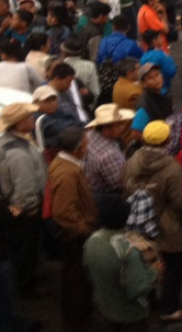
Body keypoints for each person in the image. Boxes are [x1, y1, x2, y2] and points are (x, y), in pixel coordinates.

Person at [124, 121, 182, 323]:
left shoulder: (132, 160)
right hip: (168, 227)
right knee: (172, 269)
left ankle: (149, 303)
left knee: (146, 264)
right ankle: (170, 309)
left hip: (139, 224)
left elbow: (125, 188)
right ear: (168, 140)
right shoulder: (172, 168)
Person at [83, 194, 161, 332]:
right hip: (130, 314)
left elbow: (87, 271)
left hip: (106, 308)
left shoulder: (91, 241)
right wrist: (154, 271)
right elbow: (138, 288)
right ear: (125, 218)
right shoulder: (127, 250)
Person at [47, 126, 97, 332]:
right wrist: (85, 230)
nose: (88, 147)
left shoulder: (66, 164)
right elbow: (64, 213)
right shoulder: (67, 173)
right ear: (77, 149)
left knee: (76, 279)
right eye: (85, 144)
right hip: (75, 237)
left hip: (75, 233)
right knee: (76, 281)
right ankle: (77, 322)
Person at [0, 100, 47, 295]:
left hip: (17, 205)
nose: (33, 118)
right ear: (19, 123)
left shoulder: (15, 141)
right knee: (24, 249)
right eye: (28, 117)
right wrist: (30, 207)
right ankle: (25, 286)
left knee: (25, 247)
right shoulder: (18, 152)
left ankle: (28, 276)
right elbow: (24, 185)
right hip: (25, 210)